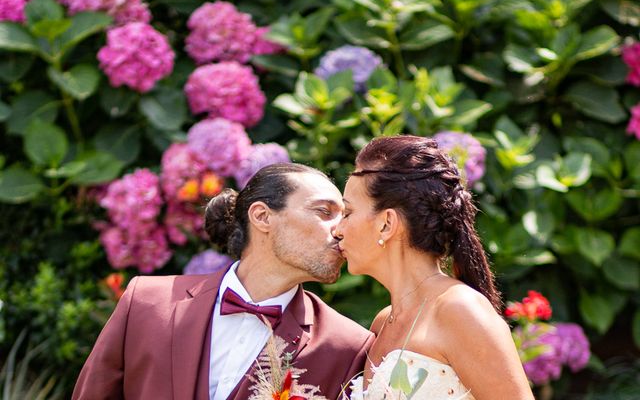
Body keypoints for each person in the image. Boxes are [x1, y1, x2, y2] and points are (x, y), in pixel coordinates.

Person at [73, 163, 374, 400]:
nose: (341, 230)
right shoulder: (146, 301)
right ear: (262, 217)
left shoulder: (346, 347)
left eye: (345, 215)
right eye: (325, 212)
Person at [335, 136, 534, 400]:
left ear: (386, 223)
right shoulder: (382, 323)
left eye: (347, 213)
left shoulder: (459, 309)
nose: (338, 230)